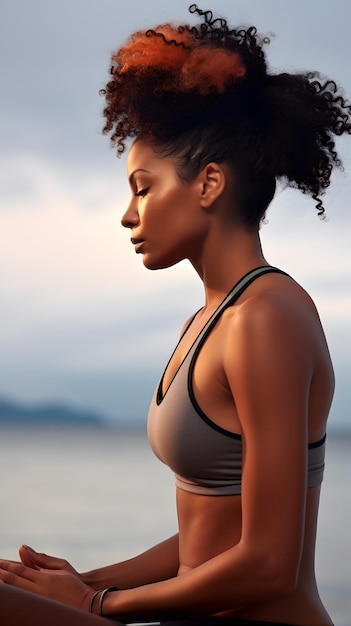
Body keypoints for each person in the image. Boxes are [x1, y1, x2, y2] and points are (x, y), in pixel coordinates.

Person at [0, 4, 350, 625]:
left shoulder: (265, 318)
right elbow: (209, 538)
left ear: (209, 184)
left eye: (143, 187)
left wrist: (99, 605)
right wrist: (83, 582)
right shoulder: (211, 319)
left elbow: (270, 562)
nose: (128, 215)